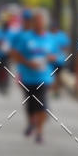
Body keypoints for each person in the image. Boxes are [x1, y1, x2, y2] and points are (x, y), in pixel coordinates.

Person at [11, 9, 55, 144]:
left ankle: (40, 131)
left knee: (41, 103)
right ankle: (31, 122)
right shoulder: (25, 38)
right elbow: (15, 54)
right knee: (30, 103)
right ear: (33, 23)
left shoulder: (50, 38)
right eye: (36, 21)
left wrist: (51, 58)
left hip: (44, 77)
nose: (39, 23)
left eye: (41, 21)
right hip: (27, 76)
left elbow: (55, 56)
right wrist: (27, 63)